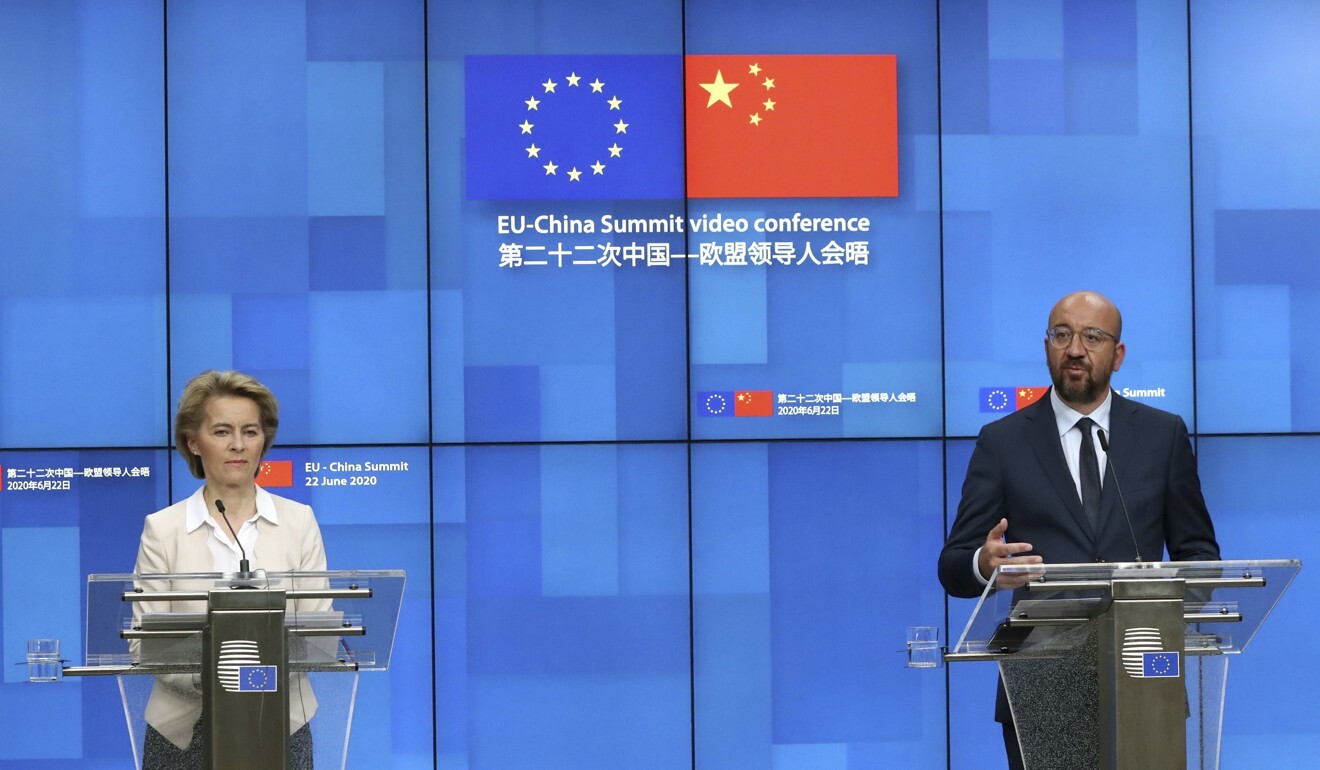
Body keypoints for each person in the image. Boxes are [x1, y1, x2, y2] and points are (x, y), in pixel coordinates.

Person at [938, 291, 1220, 769]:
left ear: (1118, 354)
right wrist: (982, 563)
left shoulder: (1162, 435)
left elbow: (1200, 555)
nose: (1075, 348)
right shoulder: (1002, 442)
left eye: (1093, 336)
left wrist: (1159, 618)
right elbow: (953, 565)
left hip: (1144, 674)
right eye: (1061, 334)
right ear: (1047, 346)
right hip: (1040, 686)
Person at [134, 370, 327, 770]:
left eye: (250, 431)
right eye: (222, 431)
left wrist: (257, 680)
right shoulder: (163, 528)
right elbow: (145, 646)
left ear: (264, 440)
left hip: (282, 722)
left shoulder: (299, 521)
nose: (238, 444)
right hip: (181, 729)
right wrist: (219, 681)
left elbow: (319, 634)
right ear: (193, 442)